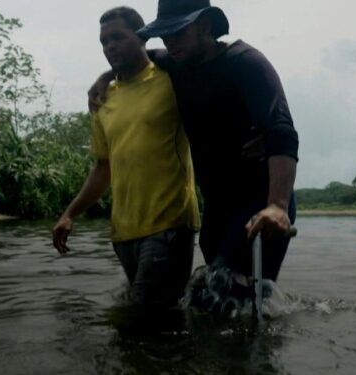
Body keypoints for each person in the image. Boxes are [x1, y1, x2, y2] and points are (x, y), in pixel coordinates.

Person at [90, 0, 299, 294]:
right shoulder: (176, 62)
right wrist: (105, 76)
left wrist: (277, 206)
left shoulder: (247, 64)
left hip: (259, 202)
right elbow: (141, 55)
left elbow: (283, 134)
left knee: (229, 288)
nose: (170, 43)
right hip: (216, 206)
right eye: (165, 35)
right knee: (213, 299)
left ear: (204, 26)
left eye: (178, 33)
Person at [52, 7, 200, 308]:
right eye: (104, 42)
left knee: (141, 319)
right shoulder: (103, 99)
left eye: (118, 37)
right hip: (123, 232)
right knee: (155, 326)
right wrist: (70, 213)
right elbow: (102, 168)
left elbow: (214, 86)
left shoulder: (173, 80)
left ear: (142, 37)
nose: (110, 47)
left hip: (169, 223)